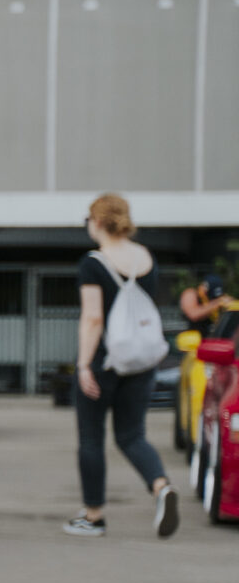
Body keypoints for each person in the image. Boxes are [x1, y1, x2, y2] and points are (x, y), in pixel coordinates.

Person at [66, 193, 177, 538]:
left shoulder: (93, 262)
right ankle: (160, 486)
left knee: (91, 440)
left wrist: (84, 365)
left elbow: (93, 318)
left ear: (98, 221)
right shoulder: (145, 257)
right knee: (132, 436)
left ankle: (93, 516)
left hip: (104, 363)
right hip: (141, 361)